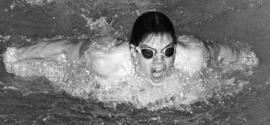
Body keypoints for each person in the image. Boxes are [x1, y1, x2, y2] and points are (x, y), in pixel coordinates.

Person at [2, 11, 258, 109]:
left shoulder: (193, 56)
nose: (160, 62)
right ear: (135, 51)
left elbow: (221, 52)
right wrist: (17, 55)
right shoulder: (105, 61)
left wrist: (246, 58)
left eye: (168, 51)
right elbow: (67, 49)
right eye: (148, 53)